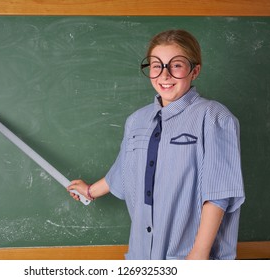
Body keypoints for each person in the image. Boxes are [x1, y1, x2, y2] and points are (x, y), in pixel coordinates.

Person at [67, 29, 245, 260]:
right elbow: (124, 170)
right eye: (156, 65)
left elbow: (219, 193)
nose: (165, 75)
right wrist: (90, 191)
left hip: (190, 256)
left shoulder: (214, 117)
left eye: (176, 65)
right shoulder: (137, 121)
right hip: (142, 254)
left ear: (195, 70)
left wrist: (199, 253)